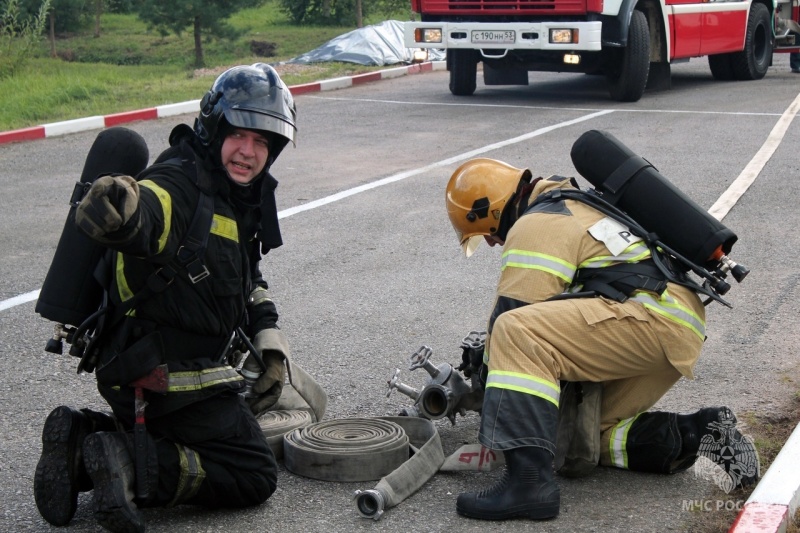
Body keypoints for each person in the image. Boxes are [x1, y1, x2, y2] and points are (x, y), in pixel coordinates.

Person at [34, 63, 297, 533]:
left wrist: (269, 338)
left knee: (216, 435)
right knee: (253, 473)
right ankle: (134, 466)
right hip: (167, 382)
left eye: (262, 142)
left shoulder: (237, 198)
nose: (249, 152)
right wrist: (121, 204)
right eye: (239, 134)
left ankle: (83, 441)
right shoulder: (181, 184)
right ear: (215, 128)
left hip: (144, 371)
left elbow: (247, 276)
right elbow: (147, 208)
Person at [444, 157, 758, 521]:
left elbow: (515, 313)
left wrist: (486, 382)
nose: (492, 242)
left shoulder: (538, 223)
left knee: (515, 332)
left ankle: (528, 485)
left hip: (648, 318)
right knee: (580, 439)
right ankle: (700, 432)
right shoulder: (575, 204)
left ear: (491, 210)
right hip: (675, 322)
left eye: (486, 232)